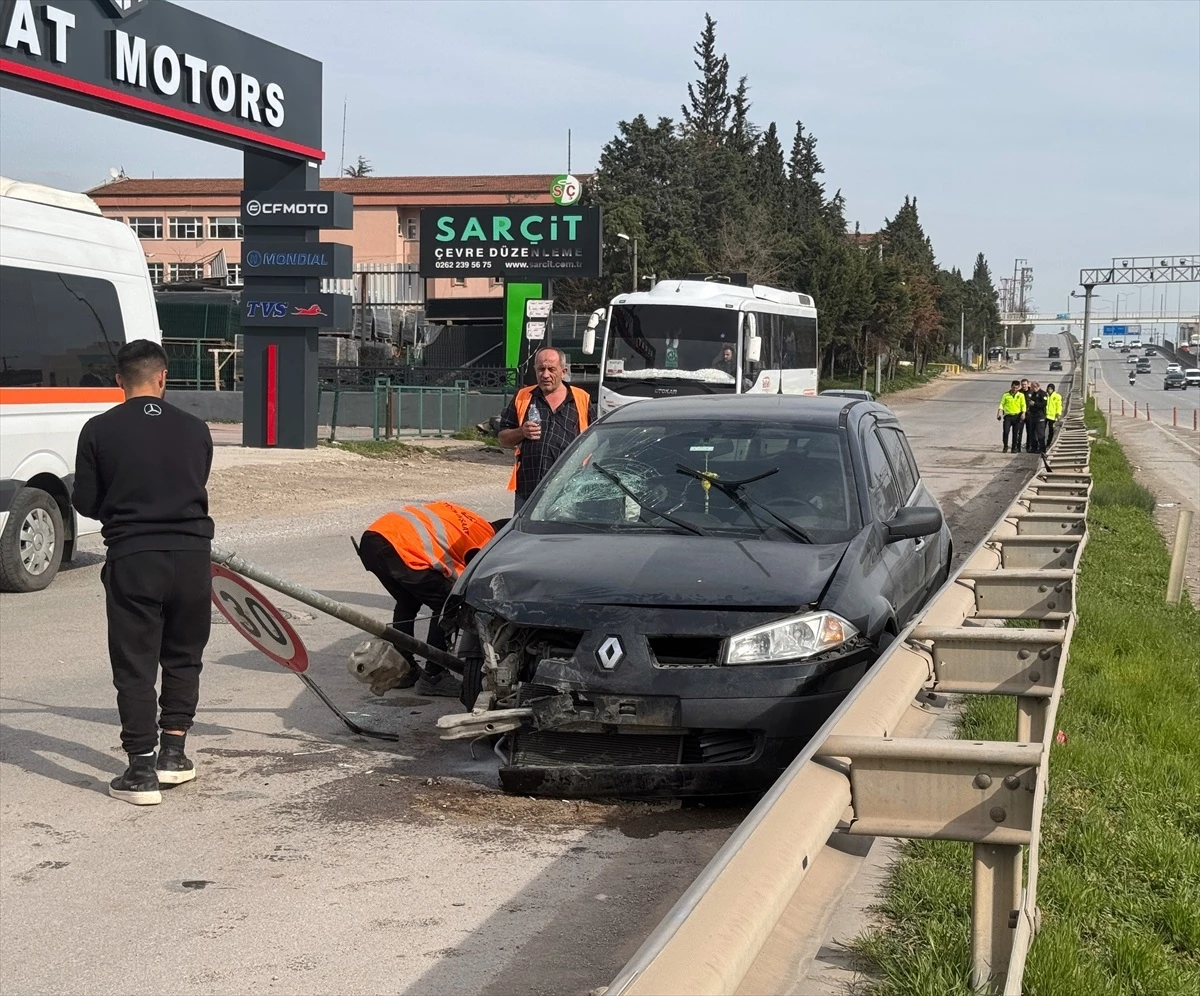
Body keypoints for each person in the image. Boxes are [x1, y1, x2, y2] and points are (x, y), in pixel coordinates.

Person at [72, 340, 214, 806]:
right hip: (192, 556)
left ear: (119, 380)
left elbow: (87, 502)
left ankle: (139, 770)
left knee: (135, 663)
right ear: (163, 378)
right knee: (183, 655)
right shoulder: (196, 429)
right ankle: (174, 754)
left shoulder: (98, 430)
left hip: (134, 556)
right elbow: (198, 482)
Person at [356, 502, 499, 697]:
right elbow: (464, 583)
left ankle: (405, 670)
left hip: (373, 540)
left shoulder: (473, 523)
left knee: (408, 602)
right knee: (448, 604)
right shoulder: (485, 542)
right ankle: (434, 676)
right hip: (400, 547)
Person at [497, 346, 590, 515]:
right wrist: (521, 432)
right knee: (525, 538)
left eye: (551, 369)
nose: (545, 375)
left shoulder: (581, 398)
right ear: (535, 370)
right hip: (529, 489)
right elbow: (503, 439)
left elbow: (595, 440)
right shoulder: (523, 396)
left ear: (564, 371)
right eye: (541, 369)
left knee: (562, 539)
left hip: (568, 491)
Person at [997, 379, 1027, 453]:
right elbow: (1001, 404)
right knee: (1006, 432)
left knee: (1015, 433)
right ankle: (1005, 446)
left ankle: (1014, 448)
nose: (1015, 389)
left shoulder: (1021, 395)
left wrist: (1023, 413)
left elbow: (1023, 405)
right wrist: (999, 413)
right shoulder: (1006, 395)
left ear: (1018, 388)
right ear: (1011, 386)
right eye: (1013, 387)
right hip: (1008, 416)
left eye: (1016, 388)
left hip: (1017, 416)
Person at [1026, 381, 1048, 453]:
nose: (1033, 389)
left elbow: (1044, 404)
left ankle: (1042, 448)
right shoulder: (1033, 394)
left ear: (1038, 386)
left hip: (1040, 416)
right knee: (1032, 432)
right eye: (1032, 387)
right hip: (1033, 415)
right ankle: (1034, 448)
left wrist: (1035, 404)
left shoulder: (1043, 393)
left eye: (1034, 387)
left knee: (1040, 433)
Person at [1044, 383, 1063, 448]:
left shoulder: (1057, 396)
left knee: (1051, 430)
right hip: (1045, 415)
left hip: (1052, 416)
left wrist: (1058, 414)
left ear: (1053, 389)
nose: (1049, 390)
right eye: (1048, 389)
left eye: (1051, 389)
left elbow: (1059, 406)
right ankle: (1042, 443)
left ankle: (1048, 443)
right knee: (1042, 430)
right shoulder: (1045, 396)